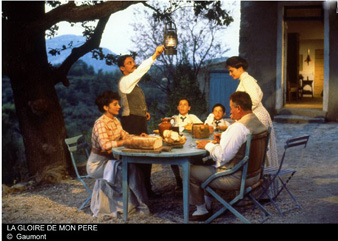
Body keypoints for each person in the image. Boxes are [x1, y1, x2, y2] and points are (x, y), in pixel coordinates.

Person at [189, 91, 267, 221]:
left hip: (236, 178)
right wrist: (224, 137)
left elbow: (223, 156)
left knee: (191, 171)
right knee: (207, 164)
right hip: (254, 175)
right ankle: (208, 203)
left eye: (231, 108)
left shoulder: (238, 127)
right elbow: (241, 144)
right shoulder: (258, 123)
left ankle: (201, 210)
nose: (230, 110)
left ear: (239, 108)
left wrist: (207, 145)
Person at [87, 90, 150, 218]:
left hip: (110, 161)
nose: (119, 106)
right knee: (127, 171)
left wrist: (138, 137)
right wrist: (123, 142)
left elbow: (125, 136)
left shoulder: (115, 120)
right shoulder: (100, 123)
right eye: (115, 104)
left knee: (133, 169)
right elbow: (105, 145)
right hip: (97, 164)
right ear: (106, 107)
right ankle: (132, 206)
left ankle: (139, 204)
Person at [118, 45, 165, 197]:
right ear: (122, 68)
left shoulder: (132, 83)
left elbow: (135, 102)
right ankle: (136, 194)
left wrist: (144, 112)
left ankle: (146, 190)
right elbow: (141, 71)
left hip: (138, 120)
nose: (133, 64)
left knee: (145, 154)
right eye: (129, 63)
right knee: (136, 156)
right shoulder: (125, 81)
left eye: (133, 61)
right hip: (131, 123)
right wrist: (154, 55)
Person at [225, 56, 278, 169]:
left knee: (260, 148)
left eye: (231, 71)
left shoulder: (247, 80)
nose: (230, 74)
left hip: (257, 117)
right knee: (259, 148)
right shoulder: (245, 80)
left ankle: (260, 175)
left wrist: (242, 115)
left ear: (240, 68)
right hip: (254, 116)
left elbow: (254, 100)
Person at [169, 97, 203, 190]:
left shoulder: (192, 117)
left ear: (189, 108)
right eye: (180, 104)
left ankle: (198, 180)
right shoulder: (174, 118)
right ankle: (178, 180)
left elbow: (202, 127)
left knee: (197, 158)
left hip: (191, 144)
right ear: (177, 107)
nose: (182, 107)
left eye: (185, 105)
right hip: (178, 144)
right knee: (172, 157)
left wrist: (192, 127)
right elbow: (170, 129)